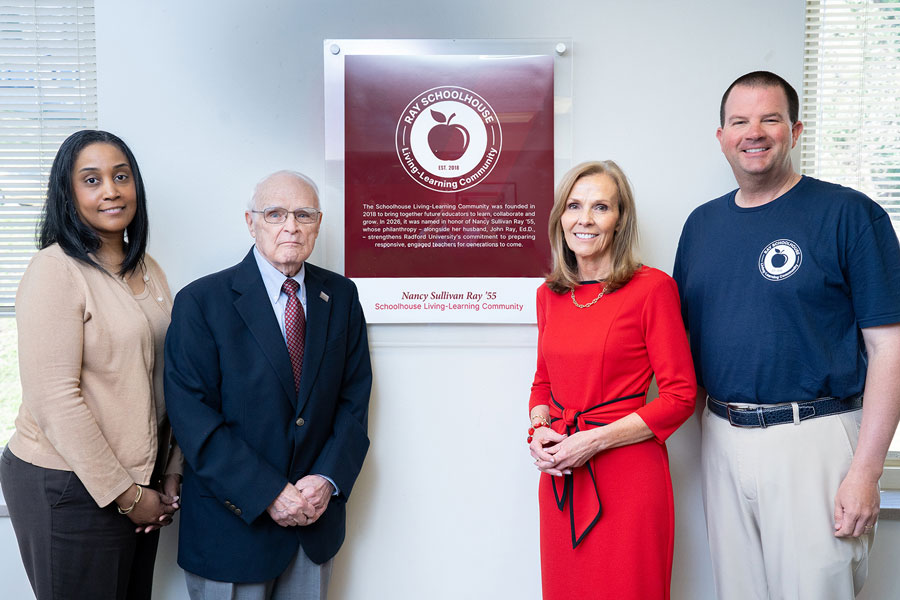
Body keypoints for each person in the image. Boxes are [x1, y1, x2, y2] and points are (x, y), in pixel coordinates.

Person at [673, 71, 900, 599]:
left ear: (795, 130)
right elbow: (688, 347)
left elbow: (889, 348)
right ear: (721, 137)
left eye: (770, 119)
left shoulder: (849, 214)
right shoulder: (701, 227)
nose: (754, 132)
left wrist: (867, 472)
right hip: (723, 437)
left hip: (815, 436)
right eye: (740, 121)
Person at [164, 170, 372, 600]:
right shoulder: (202, 302)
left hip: (313, 527)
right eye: (275, 214)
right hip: (232, 530)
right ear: (250, 221)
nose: (291, 226)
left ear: (318, 223)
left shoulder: (341, 296)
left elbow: (354, 401)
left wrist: (327, 480)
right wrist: (269, 492)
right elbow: (194, 420)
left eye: (304, 214)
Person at [0, 130, 181, 600]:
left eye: (121, 176)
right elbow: (55, 400)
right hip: (68, 483)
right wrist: (129, 495)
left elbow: (170, 375)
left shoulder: (148, 268)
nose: (111, 190)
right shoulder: (54, 270)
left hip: (139, 482)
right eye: (92, 180)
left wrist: (170, 471)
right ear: (68, 193)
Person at [528, 160, 696, 600]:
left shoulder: (652, 289)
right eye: (574, 206)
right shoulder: (549, 295)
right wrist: (538, 431)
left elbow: (680, 396)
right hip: (562, 474)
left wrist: (594, 441)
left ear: (620, 221)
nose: (584, 219)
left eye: (601, 207)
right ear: (560, 217)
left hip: (628, 478)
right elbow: (543, 382)